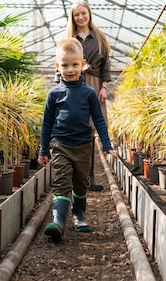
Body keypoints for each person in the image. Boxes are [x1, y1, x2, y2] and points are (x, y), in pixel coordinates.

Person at [38, 38, 117, 242]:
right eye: (65, 65)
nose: (70, 69)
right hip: (60, 145)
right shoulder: (54, 94)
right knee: (61, 182)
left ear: (83, 64)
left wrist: (107, 145)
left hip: (83, 146)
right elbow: (46, 124)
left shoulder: (89, 93)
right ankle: (58, 221)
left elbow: (99, 121)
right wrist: (43, 150)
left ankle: (79, 214)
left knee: (81, 184)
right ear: (58, 66)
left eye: (74, 64)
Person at [65, 0, 112, 191]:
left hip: (93, 85)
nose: (81, 17)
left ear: (89, 14)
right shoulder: (69, 39)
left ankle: (89, 177)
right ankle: (73, 177)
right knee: (75, 129)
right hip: (74, 85)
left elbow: (106, 65)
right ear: (73, 17)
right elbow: (60, 62)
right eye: (77, 14)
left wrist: (104, 87)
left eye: (83, 13)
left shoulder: (99, 38)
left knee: (92, 131)